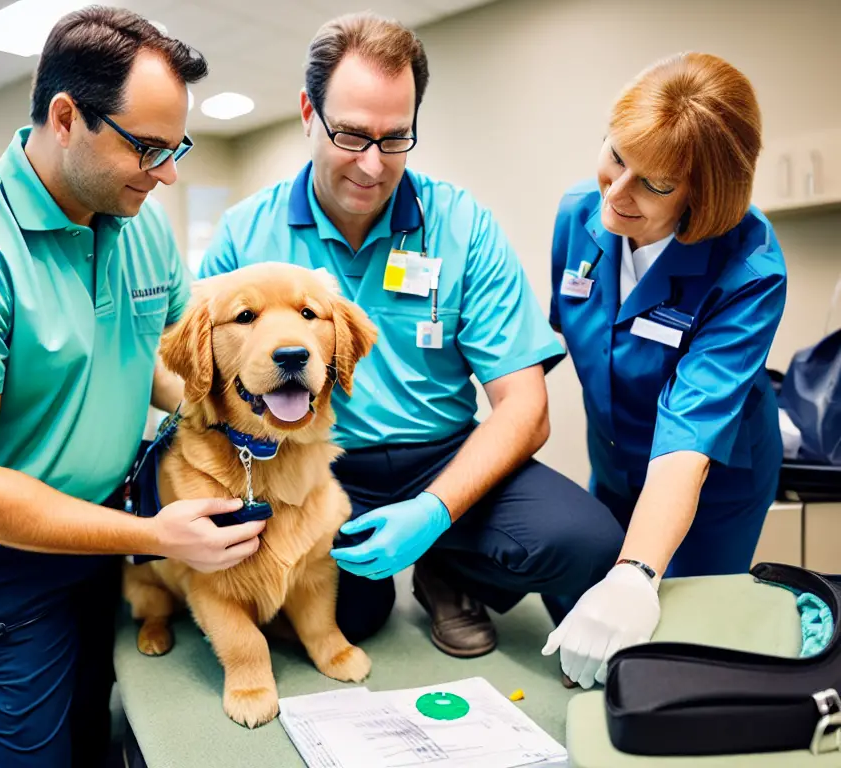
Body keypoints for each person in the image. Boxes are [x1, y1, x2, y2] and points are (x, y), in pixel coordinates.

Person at [0, 8, 265, 767]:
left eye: (175, 147)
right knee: (27, 757)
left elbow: (158, 357)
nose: (169, 173)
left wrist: (225, 415)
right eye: (148, 147)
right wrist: (156, 535)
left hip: (96, 521)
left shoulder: (140, 220)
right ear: (65, 118)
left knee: (95, 713)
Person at [199, 12, 623, 659]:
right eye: (351, 136)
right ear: (308, 113)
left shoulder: (460, 224)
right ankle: (391, 576)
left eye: (395, 139)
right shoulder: (243, 236)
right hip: (311, 465)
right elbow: (202, 386)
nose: (372, 166)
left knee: (585, 541)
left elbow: (526, 408)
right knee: (349, 614)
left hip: (444, 456)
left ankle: (448, 568)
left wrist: (434, 512)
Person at [542, 52, 787, 690]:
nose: (616, 195)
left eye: (654, 184)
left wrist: (637, 572)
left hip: (713, 483)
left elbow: (690, 434)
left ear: (703, 194)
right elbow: (554, 337)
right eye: (616, 156)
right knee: (594, 645)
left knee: (683, 649)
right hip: (616, 460)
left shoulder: (749, 269)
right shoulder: (578, 215)